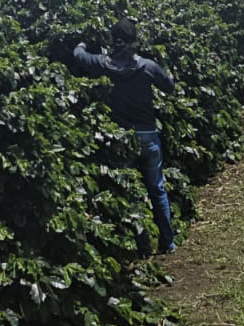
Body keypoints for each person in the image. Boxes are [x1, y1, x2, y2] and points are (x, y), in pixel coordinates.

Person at [73, 18, 176, 256]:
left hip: (122, 140)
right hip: (148, 136)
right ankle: (167, 243)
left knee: (132, 193)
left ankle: (142, 246)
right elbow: (169, 86)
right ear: (135, 40)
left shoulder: (104, 64)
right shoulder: (147, 66)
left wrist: (84, 42)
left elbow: (79, 56)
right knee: (157, 189)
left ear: (113, 40)